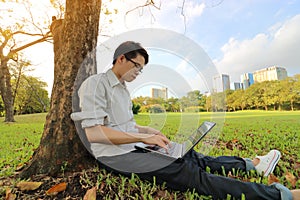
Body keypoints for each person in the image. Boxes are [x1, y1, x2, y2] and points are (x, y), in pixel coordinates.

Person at [71, 41, 300, 200]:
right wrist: (144, 137)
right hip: (116, 157)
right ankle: (281, 195)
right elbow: (95, 133)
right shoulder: (96, 84)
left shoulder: (122, 90)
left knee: (189, 154)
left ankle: (252, 165)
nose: (138, 73)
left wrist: (147, 130)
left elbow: (125, 125)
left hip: (134, 147)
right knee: (188, 172)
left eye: (141, 70)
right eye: (137, 67)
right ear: (121, 59)